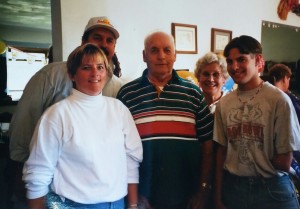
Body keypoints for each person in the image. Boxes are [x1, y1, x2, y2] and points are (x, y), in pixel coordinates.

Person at [8, 16, 124, 209]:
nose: (103, 44)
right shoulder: (51, 75)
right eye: (97, 37)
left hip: (97, 190)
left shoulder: (118, 87)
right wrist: (20, 167)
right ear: (84, 42)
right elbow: (24, 121)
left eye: (109, 40)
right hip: (51, 183)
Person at [22, 43, 143, 209]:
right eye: (86, 67)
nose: (95, 73)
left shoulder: (119, 109)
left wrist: (133, 205)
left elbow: (131, 160)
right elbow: (38, 173)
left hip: (117, 204)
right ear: (72, 74)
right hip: (73, 205)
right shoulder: (57, 115)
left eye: (100, 67)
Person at [117, 31, 214, 209]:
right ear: (144, 56)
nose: (161, 56)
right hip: (144, 198)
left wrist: (203, 190)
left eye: (167, 50)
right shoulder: (127, 94)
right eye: (154, 50)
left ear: (175, 55)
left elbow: (208, 145)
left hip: (188, 198)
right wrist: (135, 194)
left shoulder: (193, 93)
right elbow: (118, 149)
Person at [213, 35, 300, 209]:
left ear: (258, 60)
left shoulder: (278, 100)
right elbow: (221, 151)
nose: (234, 67)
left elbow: (285, 160)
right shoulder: (224, 103)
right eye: (230, 61)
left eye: (241, 59)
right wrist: (217, 196)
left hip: (272, 188)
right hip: (234, 188)